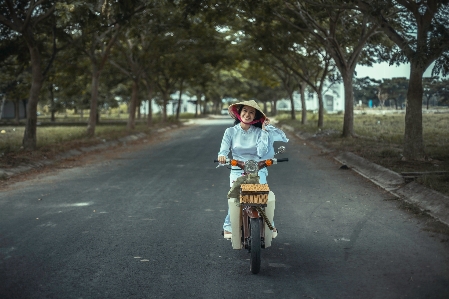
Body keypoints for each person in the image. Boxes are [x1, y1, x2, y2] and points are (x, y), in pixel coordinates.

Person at [217, 100, 288, 239]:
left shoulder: (259, 132)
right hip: (237, 167)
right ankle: (228, 225)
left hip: (257, 168)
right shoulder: (230, 131)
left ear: (255, 116)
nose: (247, 114)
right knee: (236, 196)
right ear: (239, 112)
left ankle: (270, 224)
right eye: (245, 111)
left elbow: (261, 152)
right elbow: (223, 150)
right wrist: (222, 156)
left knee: (262, 196)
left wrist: (263, 130)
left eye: (251, 112)